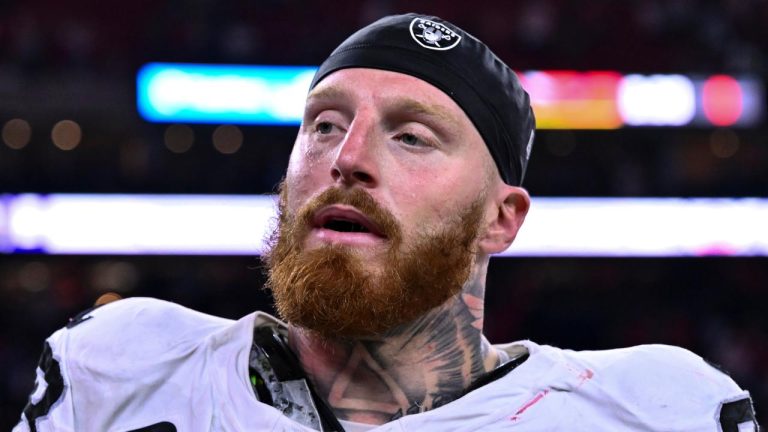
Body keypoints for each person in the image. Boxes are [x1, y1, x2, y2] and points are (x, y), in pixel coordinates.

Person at [15, 13, 758, 432]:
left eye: (411, 136)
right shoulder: (118, 372)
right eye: (324, 124)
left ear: (501, 220)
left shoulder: (654, 412)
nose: (348, 157)